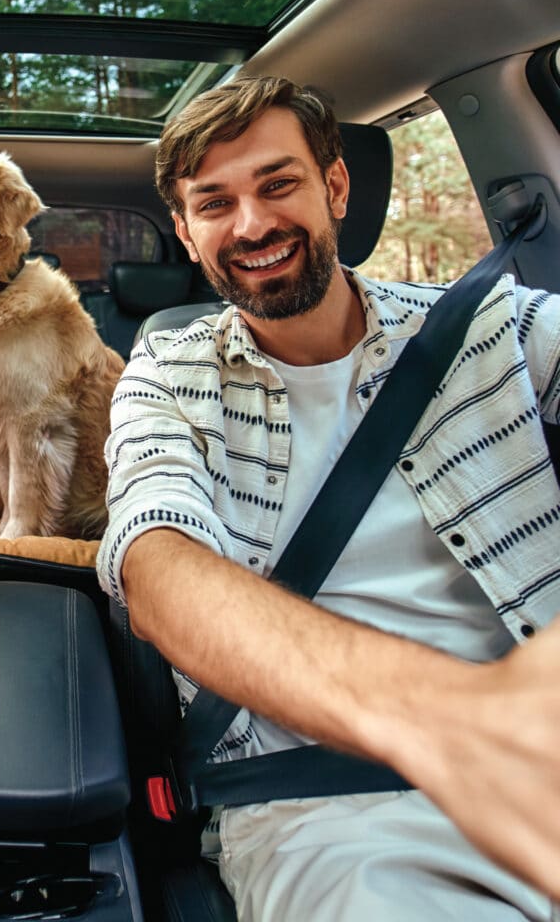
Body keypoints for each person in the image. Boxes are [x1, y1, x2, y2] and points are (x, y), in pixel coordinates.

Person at [97, 75, 560, 919]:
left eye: (278, 184)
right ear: (186, 232)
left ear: (335, 186)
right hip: (327, 806)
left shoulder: (502, 330)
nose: (252, 225)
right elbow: (156, 563)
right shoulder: (166, 374)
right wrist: (461, 720)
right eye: (214, 203)